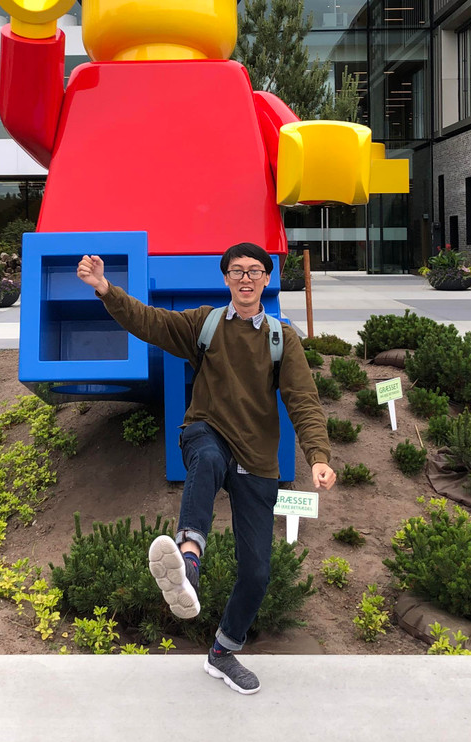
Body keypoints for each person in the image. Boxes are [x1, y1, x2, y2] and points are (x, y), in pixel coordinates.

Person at [76, 242, 335, 695]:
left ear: (267, 278)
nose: (246, 279)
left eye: (254, 271)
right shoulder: (206, 323)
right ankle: (189, 559)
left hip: (257, 457)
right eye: (237, 271)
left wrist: (318, 456)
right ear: (226, 278)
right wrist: (105, 289)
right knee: (210, 457)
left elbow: (304, 400)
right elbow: (149, 321)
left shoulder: (282, 338)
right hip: (206, 431)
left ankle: (222, 652)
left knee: (257, 572)